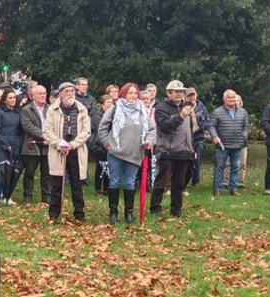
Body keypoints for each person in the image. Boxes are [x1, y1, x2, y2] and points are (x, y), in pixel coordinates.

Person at [98, 82, 155, 224]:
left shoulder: (142, 110)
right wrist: (107, 144)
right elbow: (102, 128)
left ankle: (129, 213)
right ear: (123, 94)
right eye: (130, 93)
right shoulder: (115, 108)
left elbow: (151, 130)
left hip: (135, 152)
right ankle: (113, 213)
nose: (133, 96)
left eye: (135, 93)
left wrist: (149, 140)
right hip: (116, 152)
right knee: (115, 181)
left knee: (130, 182)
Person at [44, 82, 91, 221]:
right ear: (60, 93)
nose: (70, 94)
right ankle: (54, 214)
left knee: (77, 184)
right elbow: (48, 130)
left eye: (72, 91)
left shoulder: (82, 109)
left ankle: (79, 214)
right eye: (67, 91)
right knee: (57, 184)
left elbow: (86, 131)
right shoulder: (53, 109)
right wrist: (59, 144)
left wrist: (73, 145)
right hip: (58, 150)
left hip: (76, 149)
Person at [150, 80, 196, 217]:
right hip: (167, 150)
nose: (179, 94)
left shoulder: (186, 107)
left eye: (181, 91)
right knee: (161, 182)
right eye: (176, 92)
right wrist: (180, 116)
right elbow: (164, 126)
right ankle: (155, 208)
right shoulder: (161, 108)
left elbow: (189, 130)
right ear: (168, 93)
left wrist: (191, 149)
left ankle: (176, 209)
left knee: (179, 184)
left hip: (184, 151)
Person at [209, 89, 249, 196]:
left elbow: (246, 126)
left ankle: (233, 189)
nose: (231, 99)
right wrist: (215, 136)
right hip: (223, 145)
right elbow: (211, 126)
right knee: (220, 167)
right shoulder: (217, 112)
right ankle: (218, 188)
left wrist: (244, 136)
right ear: (224, 99)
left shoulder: (243, 112)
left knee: (235, 167)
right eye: (229, 97)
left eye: (233, 97)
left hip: (238, 144)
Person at [0, 88, 23, 205]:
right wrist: (5, 144)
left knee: (11, 172)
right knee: (2, 171)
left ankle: (7, 196)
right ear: (5, 100)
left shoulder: (18, 113)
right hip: (2, 145)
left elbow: (20, 131)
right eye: (10, 98)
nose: (13, 100)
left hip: (15, 144)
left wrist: (18, 143)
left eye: (14, 97)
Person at [19, 84, 50, 204]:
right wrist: (42, 134)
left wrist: (50, 136)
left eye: (44, 93)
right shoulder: (26, 109)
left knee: (46, 173)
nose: (43, 96)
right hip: (31, 144)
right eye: (40, 94)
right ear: (33, 95)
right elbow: (27, 126)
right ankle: (28, 196)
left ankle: (46, 196)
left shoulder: (50, 109)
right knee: (29, 172)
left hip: (48, 144)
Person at [186, 87, 210, 188]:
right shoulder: (183, 107)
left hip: (199, 138)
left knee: (197, 161)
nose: (192, 97)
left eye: (193, 95)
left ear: (196, 95)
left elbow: (207, 122)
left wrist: (199, 127)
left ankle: (195, 182)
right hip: (186, 138)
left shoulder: (202, 107)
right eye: (189, 95)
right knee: (187, 161)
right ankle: (185, 182)